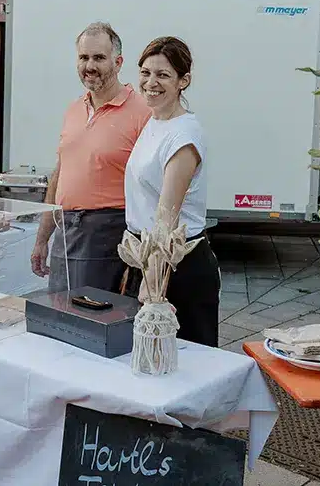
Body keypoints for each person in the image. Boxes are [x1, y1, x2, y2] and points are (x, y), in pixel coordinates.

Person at [31, 22, 152, 293]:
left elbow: (153, 186)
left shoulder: (143, 112)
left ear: (118, 62)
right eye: (84, 57)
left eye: (99, 57)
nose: (90, 65)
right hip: (66, 232)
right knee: (61, 314)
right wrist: (42, 239)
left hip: (108, 234)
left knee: (95, 321)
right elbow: (60, 175)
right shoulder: (74, 109)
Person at [123, 36, 220, 347]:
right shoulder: (155, 122)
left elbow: (166, 217)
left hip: (175, 266)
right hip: (147, 257)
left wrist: (152, 285)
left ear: (183, 81)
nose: (151, 82)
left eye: (163, 75)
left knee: (188, 363)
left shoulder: (184, 135)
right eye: (145, 72)